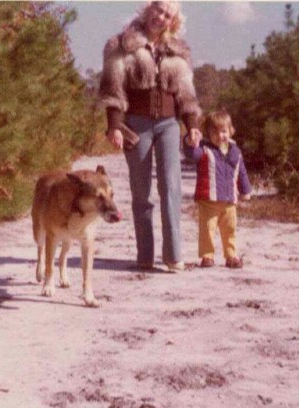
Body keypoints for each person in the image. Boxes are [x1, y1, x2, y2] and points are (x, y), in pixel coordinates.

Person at [99, 1, 201, 272]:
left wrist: (191, 124)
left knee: (171, 187)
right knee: (141, 191)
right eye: (158, 9)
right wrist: (114, 126)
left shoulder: (179, 51)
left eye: (167, 14)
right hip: (136, 125)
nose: (161, 16)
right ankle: (145, 255)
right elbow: (113, 89)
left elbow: (186, 93)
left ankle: (173, 256)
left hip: (168, 124)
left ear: (173, 21)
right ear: (147, 9)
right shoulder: (120, 45)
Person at [184, 110, 252, 269]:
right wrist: (189, 142)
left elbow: (241, 171)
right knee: (208, 230)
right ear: (207, 133)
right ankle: (207, 256)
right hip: (209, 199)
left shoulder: (236, 151)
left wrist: (245, 190)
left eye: (223, 131)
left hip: (229, 200)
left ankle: (231, 256)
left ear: (230, 131)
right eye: (214, 132)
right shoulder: (204, 149)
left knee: (230, 230)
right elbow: (192, 155)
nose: (219, 135)